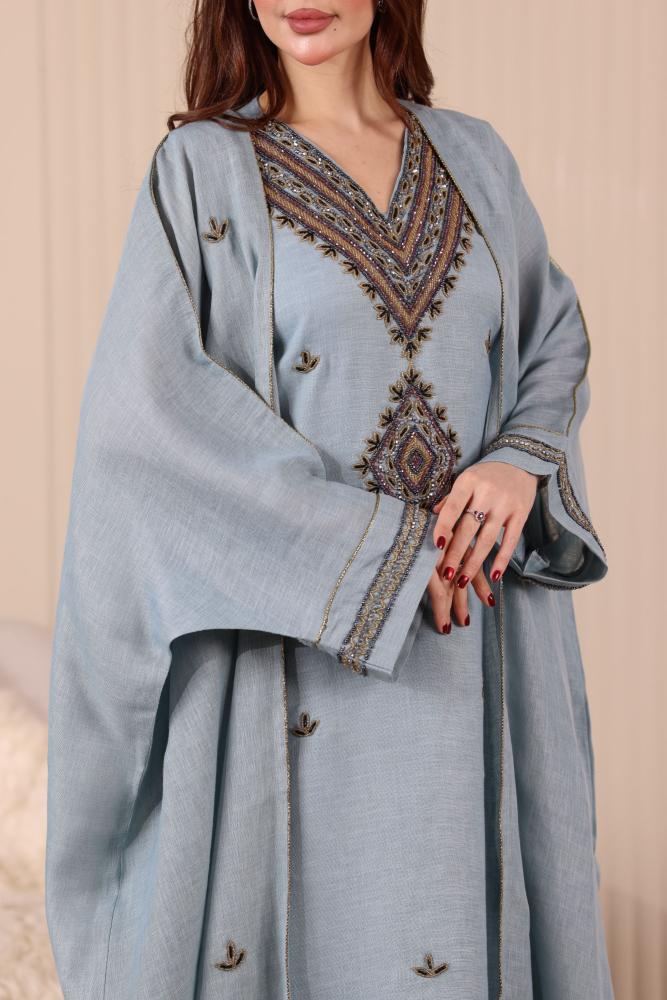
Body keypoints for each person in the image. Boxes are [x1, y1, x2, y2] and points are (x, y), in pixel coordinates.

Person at [45, 1, 614, 998]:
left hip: (478, 645)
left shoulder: (475, 158)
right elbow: (153, 421)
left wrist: (519, 461)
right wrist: (383, 558)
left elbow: (550, 335)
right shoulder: (202, 170)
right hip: (295, 653)